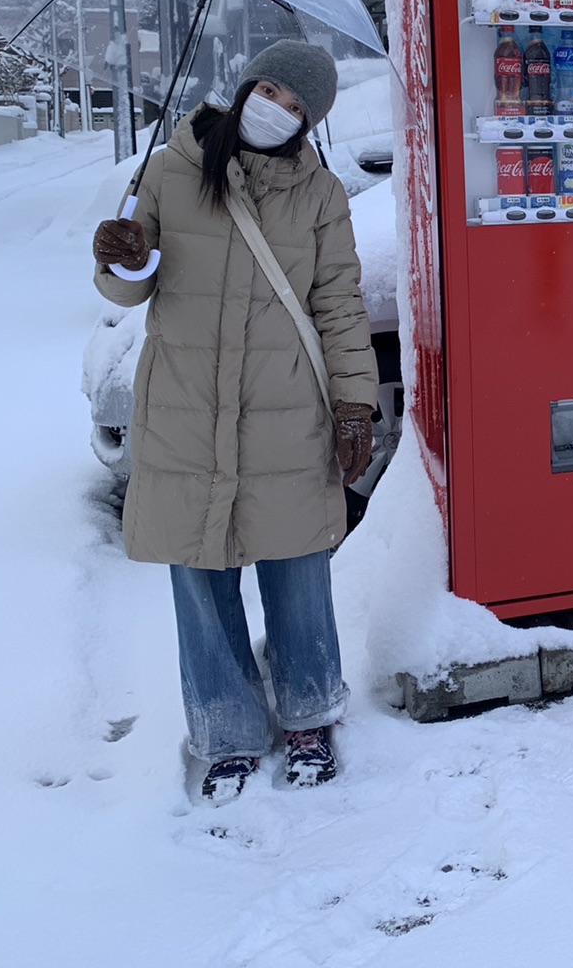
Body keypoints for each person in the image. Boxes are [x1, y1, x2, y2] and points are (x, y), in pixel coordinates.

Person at [92, 41, 378, 804]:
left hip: (285, 408)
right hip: (186, 405)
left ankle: (311, 715)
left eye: (298, 107)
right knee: (200, 576)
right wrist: (122, 259)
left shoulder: (321, 194)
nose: (278, 110)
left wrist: (356, 403)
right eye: (274, 90)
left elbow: (341, 305)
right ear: (248, 82)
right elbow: (128, 288)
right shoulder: (168, 168)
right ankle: (226, 735)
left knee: (298, 570)